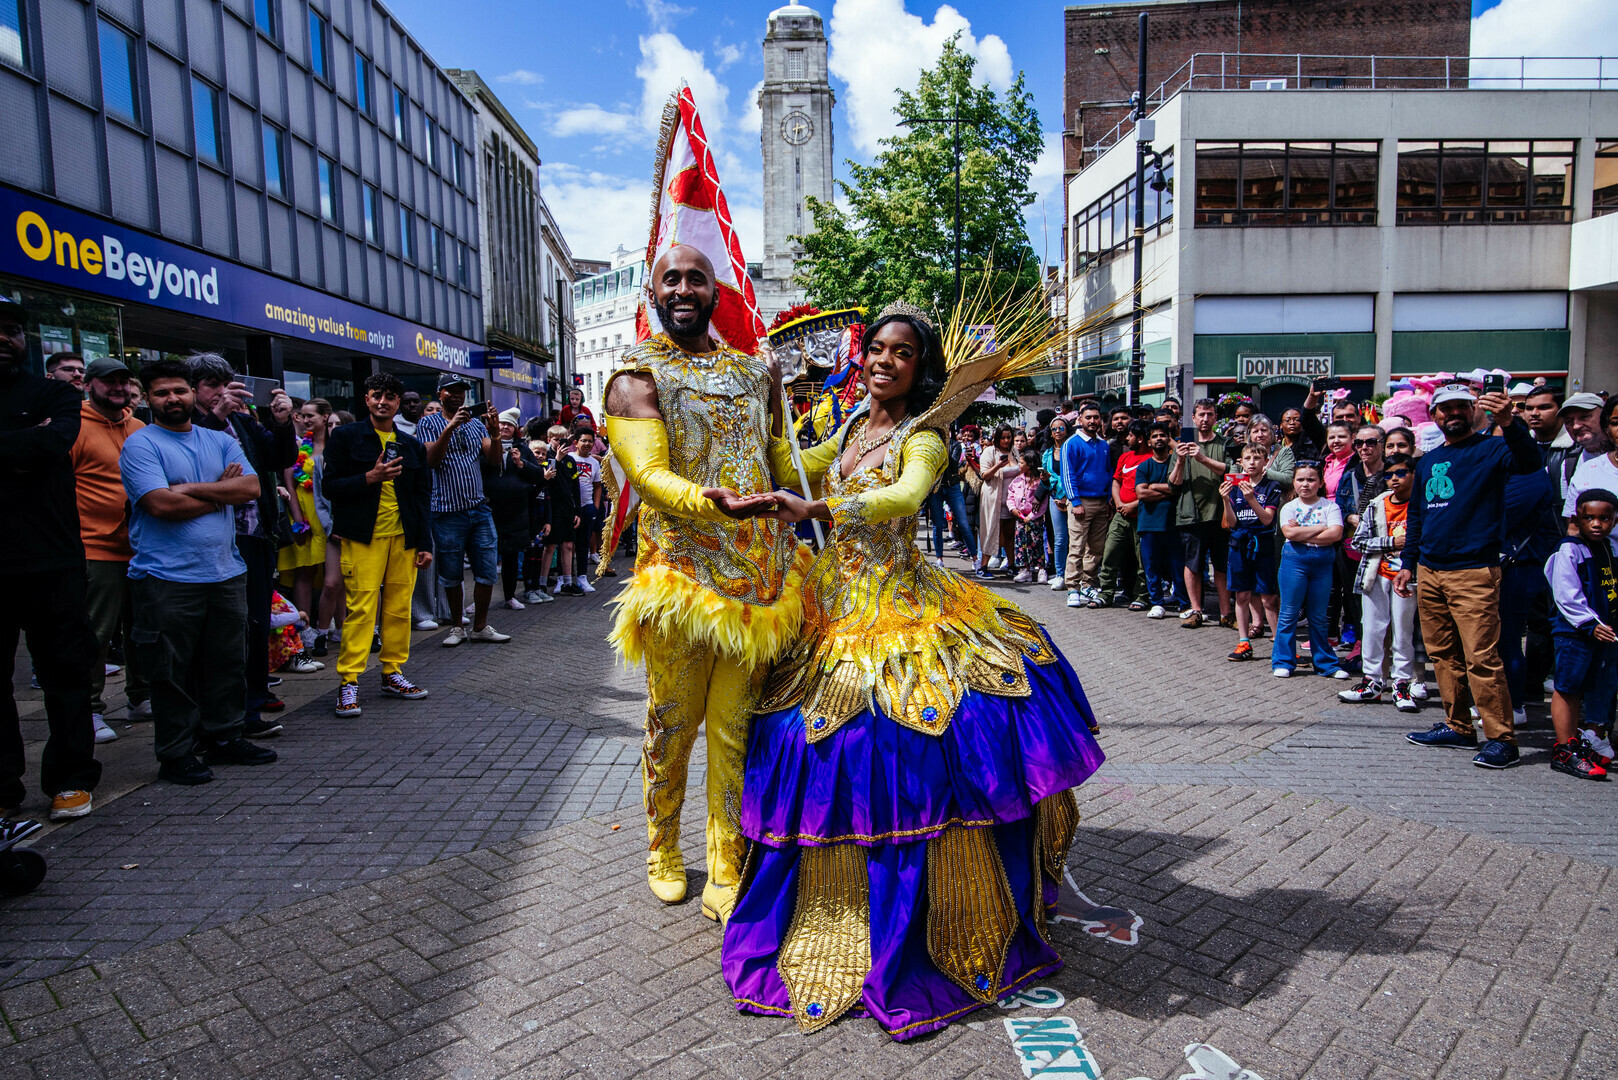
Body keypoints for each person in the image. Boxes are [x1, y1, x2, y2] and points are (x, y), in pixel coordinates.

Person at [723, 303, 1104, 1041]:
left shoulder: (922, 434)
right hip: (830, 608)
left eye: (901, 353)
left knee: (914, 740)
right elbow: (791, 465)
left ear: (919, 367)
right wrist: (773, 401)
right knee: (805, 737)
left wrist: (821, 507)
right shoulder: (850, 428)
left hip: (899, 608)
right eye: (877, 349)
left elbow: (905, 496)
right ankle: (824, 902)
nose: (883, 361)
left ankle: (935, 914)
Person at [601, 243, 811, 920]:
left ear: (715, 292)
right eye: (672, 279)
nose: (685, 288)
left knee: (734, 730)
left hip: (755, 587)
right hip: (681, 584)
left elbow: (781, 460)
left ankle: (725, 859)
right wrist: (710, 501)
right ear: (653, 294)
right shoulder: (636, 376)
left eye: (697, 277)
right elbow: (648, 475)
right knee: (673, 724)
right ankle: (663, 845)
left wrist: (875, 438)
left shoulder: (754, 373)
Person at [120, 358, 277, 785]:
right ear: (148, 398)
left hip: (225, 572)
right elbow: (159, 505)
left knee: (227, 662)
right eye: (161, 393)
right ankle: (176, 753)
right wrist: (219, 495)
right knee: (171, 671)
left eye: (179, 391)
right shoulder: (141, 444)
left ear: (193, 394)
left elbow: (250, 488)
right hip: (166, 578)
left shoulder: (218, 438)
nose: (172, 399)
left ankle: (224, 738)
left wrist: (187, 487)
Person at [1399, 382, 1542, 769]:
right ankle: (1459, 726)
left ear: (1474, 410)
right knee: (1442, 655)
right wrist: (1408, 564)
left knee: (1482, 657)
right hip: (1430, 569)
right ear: (1434, 416)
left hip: (1474, 570)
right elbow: (1417, 516)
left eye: (1461, 406)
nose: (1453, 414)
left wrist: (1510, 421)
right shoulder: (1428, 460)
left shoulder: (1494, 448)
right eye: (1445, 409)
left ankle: (1501, 738)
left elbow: (1531, 463)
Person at [0, 297, 102, 820]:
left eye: (13, 329)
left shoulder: (56, 393)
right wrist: (27, 441)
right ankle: (3, 792)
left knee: (65, 674)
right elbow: (36, 446)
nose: (4, 338)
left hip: (53, 558)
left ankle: (71, 778)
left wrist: (37, 441)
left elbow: (57, 441)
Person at [188, 353, 297, 732]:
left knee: (254, 623)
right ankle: (220, 716)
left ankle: (250, 709)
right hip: (213, 541)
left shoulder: (243, 421)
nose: (222, 393)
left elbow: (278, 458)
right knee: (222, 631)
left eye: (226, 385)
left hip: (255, 536)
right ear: (193, 391)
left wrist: (282, 421)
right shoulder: (188, 423)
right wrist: (216, 416)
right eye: (212, 387)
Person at [323, 372, 434, 718]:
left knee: (400, 608)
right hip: (362, 536)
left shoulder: (412, 444)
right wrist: (368, 478)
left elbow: (421, 496)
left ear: (398, 402)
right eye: (376, 396)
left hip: (404, 538)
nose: (382, 402)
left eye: (389, 397)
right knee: (361, 610)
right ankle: (349, 681)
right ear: (366, 399)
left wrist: (424, 542)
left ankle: (392, 672)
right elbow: (330, 487)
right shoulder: (345, 437)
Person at [70, 356, 148, 742]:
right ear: (89, 384)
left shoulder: (139, 426)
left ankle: (140, 696)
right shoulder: (73, 426)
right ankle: (90, 710)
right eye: (108, 381)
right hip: (95, 548)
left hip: (142, 548)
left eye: (123, 381)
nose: (117, 388)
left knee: (142, 629)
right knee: (96, 634)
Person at [416, 374, 510, 647]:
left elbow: (493, 461)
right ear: (440, 393)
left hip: (478, 508)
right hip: (446, 511)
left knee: (486, 569)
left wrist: (494, 433)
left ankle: (480, 626)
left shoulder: (474, 425)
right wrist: (449, 428)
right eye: (450, 391)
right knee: (451, 572)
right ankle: (457, 626)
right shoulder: (428, 423)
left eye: (461, 391)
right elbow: (431, 461)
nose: (457, 395)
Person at [1544, 488, 1618, 780]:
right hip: (1575, 632)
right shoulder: (1569, 550)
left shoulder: (1606, 550)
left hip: (1599, 633)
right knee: (1567, 688)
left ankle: (1577, 743)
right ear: (1577, 518)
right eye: (1590, 518)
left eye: (1605, 518)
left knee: (1587, 688)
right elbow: (1565, 593)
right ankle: (1564, 749)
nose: (1597, 524)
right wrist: (1588, 623)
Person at [1340, 454, 1420, 710]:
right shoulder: (1377, 503)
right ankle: (1372, 683)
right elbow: (1359, 541)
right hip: (1376, 575)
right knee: (1373, 630)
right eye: (1389, 474)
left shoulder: (1421, 504)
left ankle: (1401, 684)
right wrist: (1390, 543)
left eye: (1401, 473)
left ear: (1414, 475)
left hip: (1409, 578)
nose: (1394, 479)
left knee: (1402, 632)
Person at [1273, 462, 1346, 679]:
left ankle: (1326, 664)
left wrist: (1302, 531)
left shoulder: (1330, 506)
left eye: (1311, 479)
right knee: (1288, 613)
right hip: (1294, 561)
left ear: (1321, 482)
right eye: (1301, 480)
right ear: (1294, 483)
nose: (1306, 484)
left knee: (1318, 616)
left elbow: (1335, 535)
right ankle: (1283, 661)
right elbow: (1289, 534)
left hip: (1323, 562)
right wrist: (1319, 527)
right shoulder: (1289, 506)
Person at [278, 398, 338, 661]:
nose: (304, 419)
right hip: (303, 511)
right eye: (302, 415)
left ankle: (335, 626)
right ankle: (306, 628)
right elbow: (289, 482)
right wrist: (298, 518)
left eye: (310, 415)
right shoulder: (297, 447)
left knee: (333, 576)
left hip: (329, 514)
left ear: (325, 417)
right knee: (304, 570)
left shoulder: (336, 445)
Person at [1170, 398, 1231, 629]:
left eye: (1210, 414)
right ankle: (1196, 610)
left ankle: (1226, 613)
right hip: (1190, 514)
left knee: (1222, 566)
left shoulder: (1223, 444)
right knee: (1193, 564)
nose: (1205, 419)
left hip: (1219, 513)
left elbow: (1230, 471)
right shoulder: (1182, 445)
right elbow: (1173, 484)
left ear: (1216, 418)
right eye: (1201, 415)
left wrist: (1201, 457)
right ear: (1193, 419)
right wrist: (1181, 459)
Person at [1221, 443, 1282, 663]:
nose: (1252, 463)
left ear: (1266, 462)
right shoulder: (1235, 486)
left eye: (1257, 458)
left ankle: (1279, 643)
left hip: (1262, 543)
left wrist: (1251, 499)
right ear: (1241, 462)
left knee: (1268, 597)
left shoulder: (1271, 486)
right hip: (1239, 543)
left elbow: (1267, 518)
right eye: (1247, 459)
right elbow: (1232, 522)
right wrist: (1226, 500)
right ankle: (1244, 641)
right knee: (1242, 594)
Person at [486, 408, 543, 609]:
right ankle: (480, 598)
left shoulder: (523, 448)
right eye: (501, 423)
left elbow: (538, 475)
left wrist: (521, 464)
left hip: (516, 511)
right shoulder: (486, 444)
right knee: (485, 556)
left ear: (515, 428)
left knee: (510, 556)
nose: (504, 427)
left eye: (509, 425)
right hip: (490, 509)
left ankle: (510, 596)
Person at [1061, 403, 1113, 607]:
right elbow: (1068, 474)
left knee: (1096, 548)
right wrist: (1075, 501)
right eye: (1088, 417)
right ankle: (1072, 587)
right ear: (1080, 420)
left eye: (1096, 417)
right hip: (1081, 502)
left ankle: (1088, 584)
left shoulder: (1104, 444)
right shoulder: (1071, 443)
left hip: (1101, 502)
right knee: (1077, 546)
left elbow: (1108, 472)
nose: (1092, 421)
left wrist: (1108, 499)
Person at [1099, 419, 1150, 610]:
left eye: (1130, 435)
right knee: (1110, 553)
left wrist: (1134, 505)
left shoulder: (1152, 459)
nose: (1127, 438)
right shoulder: (1125, 458)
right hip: (1120, 515)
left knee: (1142, 559)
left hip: (1142, 516)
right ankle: (1106, 593)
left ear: (1141, 438)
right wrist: (1120, 503)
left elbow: (1153, 489)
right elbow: (1116, 482)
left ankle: (1142, 596)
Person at [1134, 422, 1180, 618]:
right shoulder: (1144, 466)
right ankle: (1157, 603)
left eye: (1163, 435)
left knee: (1177, 565)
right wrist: (1168, 492)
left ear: (1169, 439)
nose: (1159, 439)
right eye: (1155, 436)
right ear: (1149, 441)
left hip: (1174, 523)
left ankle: (1184, 603)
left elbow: (1178, 488)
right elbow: (1141, 494)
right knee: (1151, 566)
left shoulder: (1176, 463)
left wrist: (1155, 487)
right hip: (1149, 523)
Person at [536, 425, 582, 597]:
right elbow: (549, 480)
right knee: (550, 546)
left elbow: (575, 487)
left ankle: (568, 582)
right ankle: (541, 583)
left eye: (563, 440)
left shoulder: (571, 461)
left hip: (567, 508)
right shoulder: (546, 457)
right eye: (556, 440)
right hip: (551, 508)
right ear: (549, 441)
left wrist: (577, 511)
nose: (560, 443)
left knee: (568, 544)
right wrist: (557, 458)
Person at [927, 421, 978, 567]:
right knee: (937, 524)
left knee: (963, 523)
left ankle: (975, 560)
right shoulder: (931, 445)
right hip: (936, 488)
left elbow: (953, 463)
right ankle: (939, 559)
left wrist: (941, 447)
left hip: (953, 486)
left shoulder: (955, 445)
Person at [974, 426, 1016, 578]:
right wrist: (998, 465)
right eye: (1003, 437)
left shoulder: (1014, 452)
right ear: (997, 438)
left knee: (1010, 533)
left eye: (1009, 437)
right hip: (993, 498)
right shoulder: (989, 452)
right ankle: (983, 566)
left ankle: (1011, 565)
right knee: (991, 530)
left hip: (1011, 501)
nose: (1006, 441)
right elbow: (984, 475)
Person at [567, 429, 603, 594]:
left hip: (587, 507)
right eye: (584, 440)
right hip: (570, 508)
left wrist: (594, 506)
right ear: (576, 442)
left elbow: (597, 486)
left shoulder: (595, 463)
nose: (587, 444)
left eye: (590, 441)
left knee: (583, 544)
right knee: (567, 545)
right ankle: (565, 579)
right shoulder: (569, 459)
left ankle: (582, 577)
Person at [1007, 449, 1049, 584]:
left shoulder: (1039, 482)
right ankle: (1025, 570)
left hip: (1033, 519)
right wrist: (1013, 509)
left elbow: (1042, 503)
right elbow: (1010, 496)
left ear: (1030, 464)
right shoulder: (1017, 480)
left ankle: (1041, 569)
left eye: (1021, 463)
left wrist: (1031, 516)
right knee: (1021, 544)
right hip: (1020, 518)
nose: (1019, 465)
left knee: (1036, 543)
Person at [1040, 417, 1069, 586]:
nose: (1058, 432)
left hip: (1072, 497)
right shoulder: (1048, 453)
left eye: (1061, 428)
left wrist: (1066, 496)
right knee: (1059, 538)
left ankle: (1075, 574)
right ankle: (1060, 573)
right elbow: (1046, 481)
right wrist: (1044, 479)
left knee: (1076, 538)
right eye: (1054, 429)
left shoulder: (1072, 448)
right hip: (1055, 498)